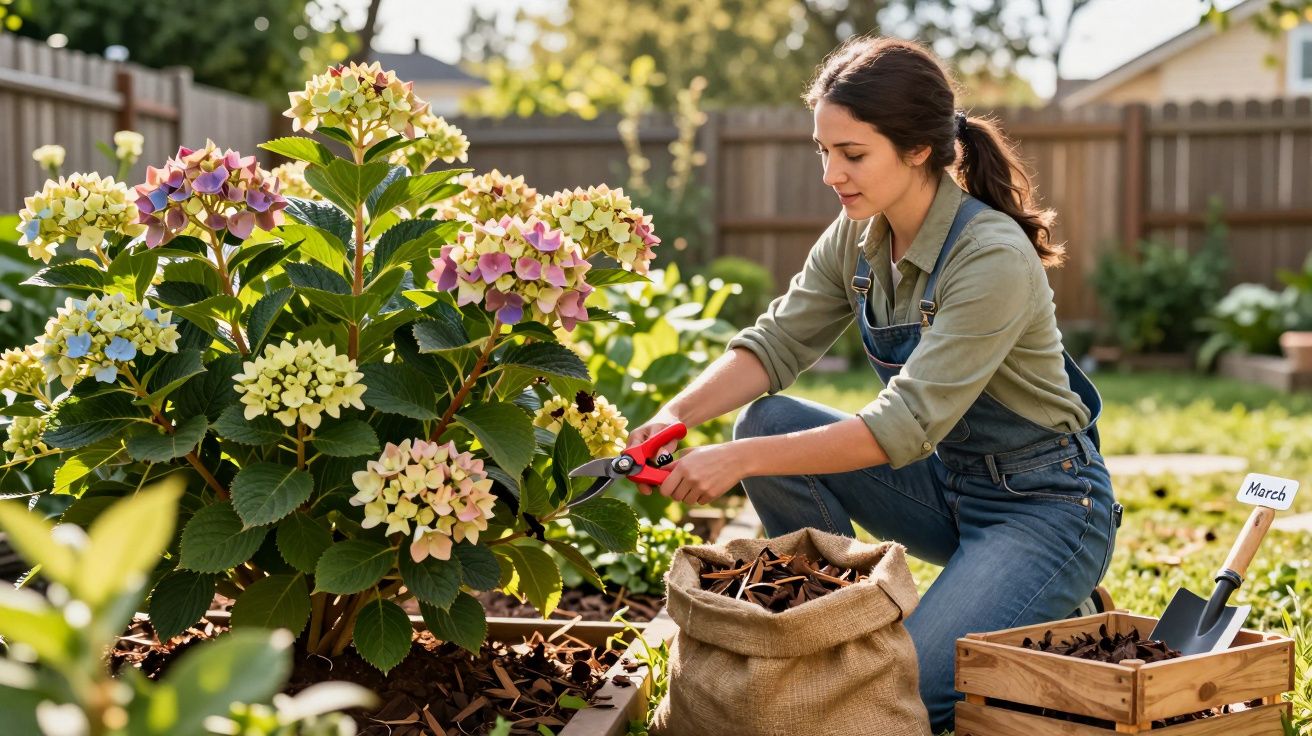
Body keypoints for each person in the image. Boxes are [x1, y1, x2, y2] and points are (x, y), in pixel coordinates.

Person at [624, 36, 1121, 732]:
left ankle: (1056, 604)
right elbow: (775, 343)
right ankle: (842, 632)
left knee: (894, 696)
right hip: (947, 488)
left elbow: (902, 424)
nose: (832, 172)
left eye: (852, 154)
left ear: (918, 149)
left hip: (1045, 507)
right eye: (823, 151)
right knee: (765, 422)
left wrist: (733, 464)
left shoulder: (991, 256)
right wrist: (675, 414)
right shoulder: (858, 238)